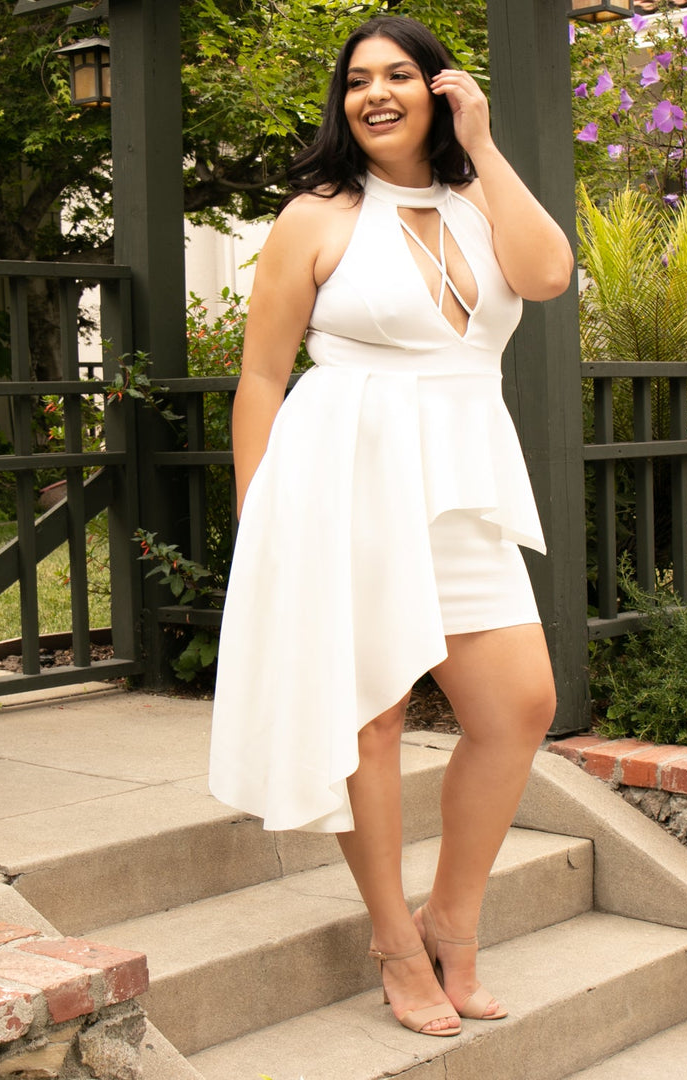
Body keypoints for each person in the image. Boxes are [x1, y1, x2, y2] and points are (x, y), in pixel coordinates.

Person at [209, 14, 573, 1038]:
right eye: (358, 78)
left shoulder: (475, 196)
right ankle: (395, 945)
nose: (376, 92)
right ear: (344, 100)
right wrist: (261, 518)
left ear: (437, 88)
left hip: (461, 486)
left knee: (519, 706)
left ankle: (452, 923)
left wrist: (487, 144)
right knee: (369, 716)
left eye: (399, 75)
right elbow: (263, 377)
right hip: (342, 483)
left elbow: (546, 277)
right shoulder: (315, 216)